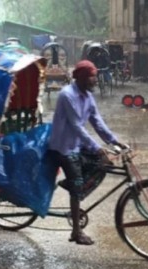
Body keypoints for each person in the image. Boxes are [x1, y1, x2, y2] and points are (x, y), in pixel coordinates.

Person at [48, 60, 126, 245]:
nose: (95, 80)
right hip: (64, 147)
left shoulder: (88, 96)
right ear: (82, 78)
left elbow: (97, 122)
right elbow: (76, 126)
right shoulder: (67, 95)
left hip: (77, 144)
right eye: (92, 77)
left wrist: (114, 141)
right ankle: (76, 231)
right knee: (78, 184)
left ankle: (75, 186)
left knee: (105, 164)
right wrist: (97, 148)